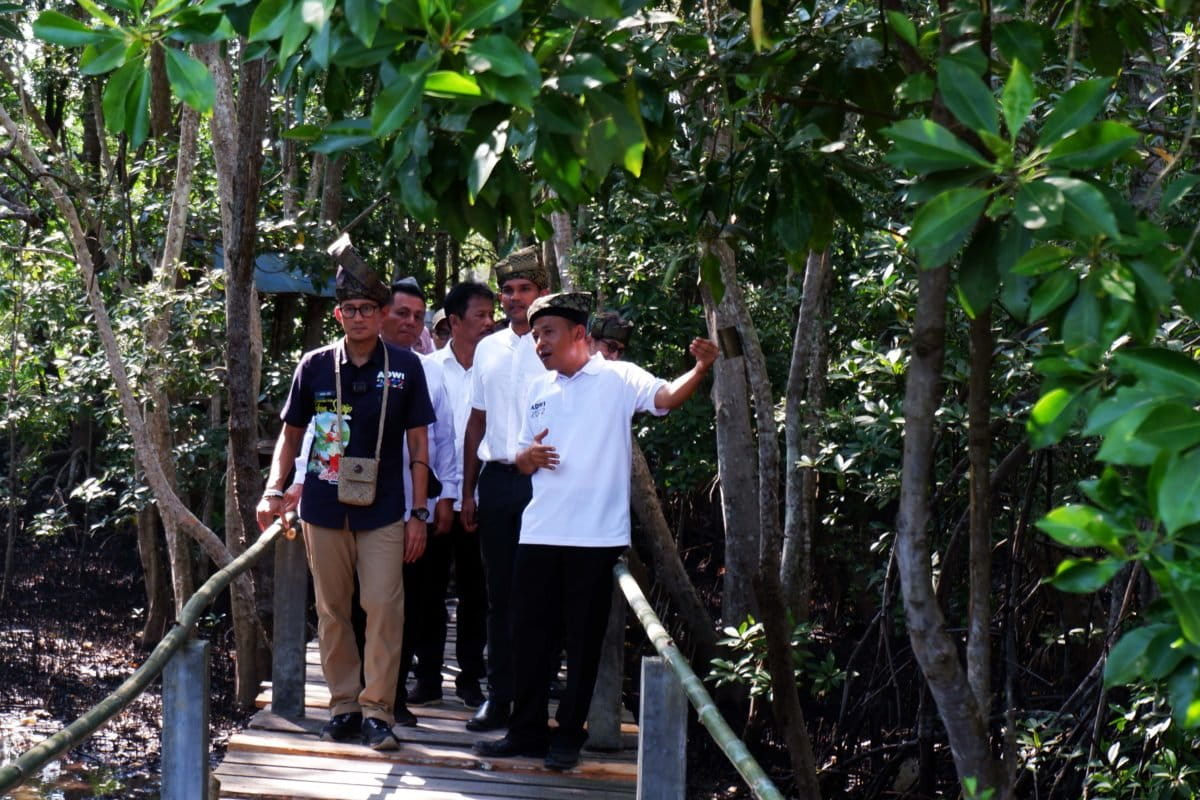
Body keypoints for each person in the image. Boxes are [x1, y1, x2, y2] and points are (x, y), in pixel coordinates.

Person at [473, 292, 717, 770]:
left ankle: (568, 736)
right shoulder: (539, 390)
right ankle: (526, 730)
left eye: (549, 333)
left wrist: (701, 369)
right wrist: (528, 459)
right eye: (537, 334)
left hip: (595, 535)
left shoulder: (618, 377)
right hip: (539, 530)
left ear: (580, 335)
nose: (540, 343)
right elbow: (520, 456)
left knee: (582, 640)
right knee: (528, 634)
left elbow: (665, 397)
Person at [256, 263, 435, 751]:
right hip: (323, 503)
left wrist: (420, 512)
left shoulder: (405, 366)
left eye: (367, 310)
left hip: (384, 507)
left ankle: (378, 709)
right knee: (332, 609)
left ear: (381, 315)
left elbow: (420, 446)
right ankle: (343, 705)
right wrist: (275, 489)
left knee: (382, 605)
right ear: (338, 314)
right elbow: (290, 437)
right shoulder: (314, 365)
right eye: (350, 309)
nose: (358, 317)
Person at [459, 244, 550, 732]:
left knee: (537, 593)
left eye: (525, 289)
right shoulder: (488, 347)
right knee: (499, 594)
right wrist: (468, 492)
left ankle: (534, 700)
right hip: (496, 481)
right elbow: (477, 421)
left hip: (546, 483)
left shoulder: (555, 344)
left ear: (543, 292)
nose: (516, 298)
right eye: (509, 291)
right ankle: (499, 696)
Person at [377, 278, 459, 719]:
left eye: (416, 316)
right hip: (355, 511)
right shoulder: (343, 363)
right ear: (379, 313)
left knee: (407, 603)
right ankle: (355, 698)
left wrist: (439, 500)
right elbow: (320, 432)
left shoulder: (429, 372)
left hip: (412, 508)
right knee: (359, 606)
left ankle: (394, 696)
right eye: (401, 313)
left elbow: (443, 440)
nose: (410, 323)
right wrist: (293, 485)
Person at [424, 281, 498, 710]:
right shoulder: (427, 368)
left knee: (477, 591)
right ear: (454, 322)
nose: (490, 323)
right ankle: (429, 675)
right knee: (427, 591)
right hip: (434, 500)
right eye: (480, 316)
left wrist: (470, 494)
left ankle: (471, 677)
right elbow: (423, 440)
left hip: (483, 500)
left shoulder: (499, 367)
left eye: (492, 315)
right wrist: (443, 496)